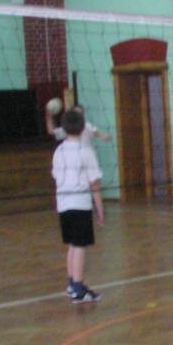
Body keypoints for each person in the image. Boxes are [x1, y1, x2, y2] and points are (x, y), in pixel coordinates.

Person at [52, 106, 104, 303]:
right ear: (83, 128)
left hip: (63, 204)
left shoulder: (58, 151)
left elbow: (56, 177)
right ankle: (78, 290)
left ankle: (72, 285)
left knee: (73, 246)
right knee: (80, 246)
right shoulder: (86, 151)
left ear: (64, 128)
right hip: (80, 204)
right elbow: (94, 184)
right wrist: (100, 210)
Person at [45, 98, 111, 147]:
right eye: (76, 113)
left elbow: (96, 133)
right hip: (73, 157)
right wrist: (49, 116)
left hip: (86, 156)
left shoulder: (87, 126)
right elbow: (51, 131)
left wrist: (103, 136)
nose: (78, 115)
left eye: (80, 113)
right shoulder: (68, 127)